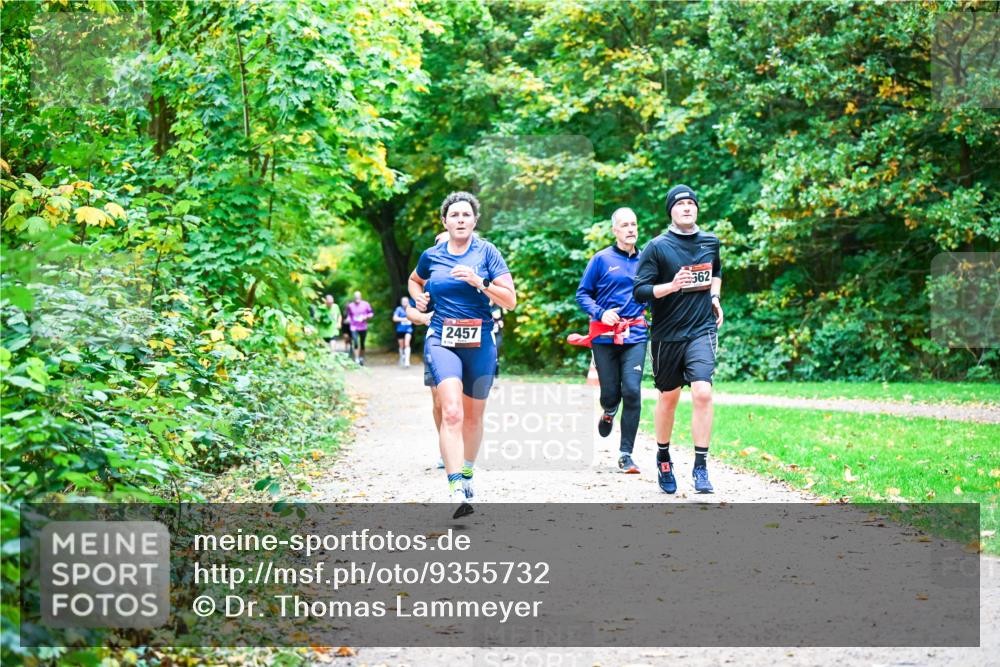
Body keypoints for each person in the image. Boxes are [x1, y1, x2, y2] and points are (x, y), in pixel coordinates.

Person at [408, 192, 517, 518]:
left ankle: (467, 472)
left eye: (465, 215)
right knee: (451, 412)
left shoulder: (488, 253)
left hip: (480, 340)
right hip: (442, 337)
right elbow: (415, 281)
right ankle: (455, 486)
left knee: (473, 416)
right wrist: (419, 300)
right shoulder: (432, 255)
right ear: (445, 221)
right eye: (453, 215)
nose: (460, 220)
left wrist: (479, 281)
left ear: (474, 220)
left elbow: (510, 300)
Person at [633, 185, 723, 494]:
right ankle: (663, 456)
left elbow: (716, 271)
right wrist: (670, 286)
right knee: (668, 397)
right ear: (671, 210)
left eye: (691, 203)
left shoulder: (711, 241)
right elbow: (640, 290)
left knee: (702, 392)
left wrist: (715, 297)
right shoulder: (657, 247)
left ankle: (701, 466)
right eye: (680, 203)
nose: (687, 207)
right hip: (667, 334)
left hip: (702, 329)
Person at [575, 207, 648, 474]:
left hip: (635, 334)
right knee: (610, 393)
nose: (631, 229)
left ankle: (626, 454)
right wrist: (601, 312)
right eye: (625, 225)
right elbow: (582, 295)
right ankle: (608, 410)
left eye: (634, 224)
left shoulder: (647, 261)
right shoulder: (601, 259)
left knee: (632, 390)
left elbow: (653, 292)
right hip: (604, 336)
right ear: (615, 230)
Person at [345, 291, 373, 365]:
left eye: (358, 296)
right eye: (355, 297)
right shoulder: (350, 306)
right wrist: (348, 319)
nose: (357, 298)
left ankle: (361, 357)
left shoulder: (366, 304)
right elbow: (349, 315)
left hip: (363, 326)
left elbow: (371, 313)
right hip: (353, 326)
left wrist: (365, 317)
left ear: (361, 297)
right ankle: (357, 359)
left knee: (362, 343)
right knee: (355, 342)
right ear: (354, 297)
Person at [393, 296, 415, 367]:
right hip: (400, 330)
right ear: (401, 302)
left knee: (407, 344)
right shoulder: (398, 309)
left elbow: (415, 318)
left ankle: (407, 361)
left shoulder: (411, 309)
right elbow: (394, 318)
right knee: (401, 346)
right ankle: (402, 357)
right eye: (403, 301)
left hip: (408, 329)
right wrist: (404, 319)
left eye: (406, 301)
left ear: (408, 302)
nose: (404, 303)